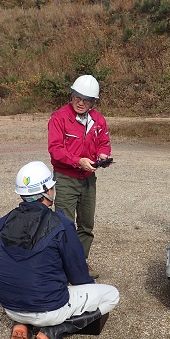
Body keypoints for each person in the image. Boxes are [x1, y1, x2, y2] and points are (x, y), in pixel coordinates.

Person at [0, 161, 120, 339]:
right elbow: (78, 275)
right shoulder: (60, 224)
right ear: (46, 191)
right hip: (48, 309)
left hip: (10, 307)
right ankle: (53, 331)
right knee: (111, 295)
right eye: (52, 187)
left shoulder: (3, 223)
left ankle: (23, 324)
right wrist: (88, 288)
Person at [47, 75, 112, 277]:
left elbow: (103, 142)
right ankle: (63, 268)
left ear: (94, 101)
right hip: (66, 177)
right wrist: (78, 161)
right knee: (65, 225)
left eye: (87, 99)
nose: (81, 103)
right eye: (78, 97)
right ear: (72, 94)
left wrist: (103, 154)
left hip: (88, 179)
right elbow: (55, 149)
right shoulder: (59, 118)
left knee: (86, 224)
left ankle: (80, 265)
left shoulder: (98, 120)